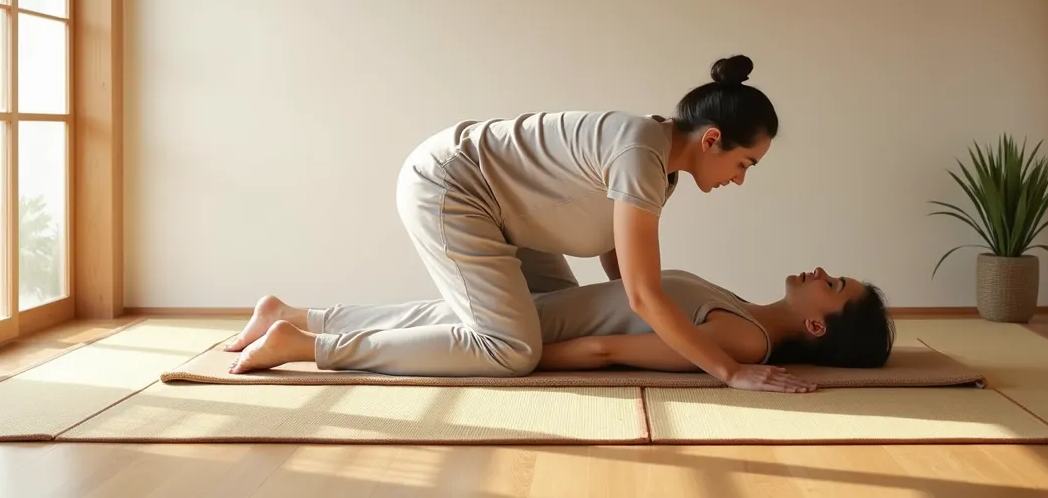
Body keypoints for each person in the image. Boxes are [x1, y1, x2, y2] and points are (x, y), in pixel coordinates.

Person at [224, 55, 804, 391]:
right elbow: (643, 292)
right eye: (743, 163)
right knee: (511, 348)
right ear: (711, 139)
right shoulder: (642, 154)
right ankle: (311, 344)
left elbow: (618, 261)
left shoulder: (659, 164)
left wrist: (627, 315)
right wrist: (728, 371)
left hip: (500, 212)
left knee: (550, 320)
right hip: (453, 187)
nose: (740, 178)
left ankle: (292, 315)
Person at [222, 266, 895, 387]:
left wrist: (523, 357)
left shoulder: (744, 340)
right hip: (546, 306)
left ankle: (306, 344)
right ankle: (289, 317)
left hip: (541, 326)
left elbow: (611, 350)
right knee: (425, 315)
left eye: (834, 286)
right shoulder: (736, 304)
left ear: (816, 325)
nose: (819, 270)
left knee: (441, 331)